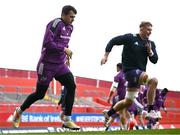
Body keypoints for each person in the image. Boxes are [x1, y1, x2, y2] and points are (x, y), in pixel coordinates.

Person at [11, 5, 80, 130]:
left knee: (71, 85)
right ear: (63, 14)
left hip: (60, 65)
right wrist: (64, 49)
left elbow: (64, 42)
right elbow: (47, 43)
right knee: (39, 94)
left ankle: (67, 119)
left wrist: (67, 56)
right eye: (71, 17)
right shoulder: (54, 24)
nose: (73, 19)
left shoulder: (70, 27)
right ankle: (19, 111)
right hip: (47, 65)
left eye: (74, 17)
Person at [100, 21, 159, 127]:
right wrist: (105, 56)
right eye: (148, 29)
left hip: (139, 74)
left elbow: (155, 60)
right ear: (141, 28)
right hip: (129, 72)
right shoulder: (130, 38)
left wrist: (150, 51)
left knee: (127, 101)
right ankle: (150, 110)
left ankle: (108, 113)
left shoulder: (150, 44)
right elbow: (113, 41)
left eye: (151, 30)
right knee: (153, 81)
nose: (149, 32)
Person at [105, 63, 128, 130]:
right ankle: (125, 128)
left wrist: (109, 97)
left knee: (121, 113)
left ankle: (125, 129)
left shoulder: (117, 76)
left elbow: (114, 87)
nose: (116, 69)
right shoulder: (127, 75)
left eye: (116, 67)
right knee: (124, 113)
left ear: (118, 67)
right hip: (128, 96)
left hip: (120, 96)